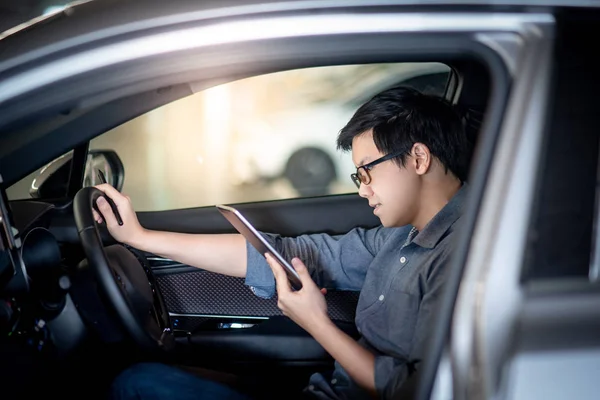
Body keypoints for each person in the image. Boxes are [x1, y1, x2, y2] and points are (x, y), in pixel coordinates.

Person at [96, 86, 470, 400]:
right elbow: (293, 256)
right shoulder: (396, 236)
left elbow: (412, 391)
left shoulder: (466, 257)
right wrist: (140, 238)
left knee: (137, 385)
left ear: (418, 157)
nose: (363, 190)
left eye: (366, 172)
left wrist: (316, 322)